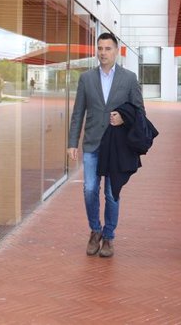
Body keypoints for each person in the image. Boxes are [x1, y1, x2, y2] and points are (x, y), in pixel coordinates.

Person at [68, 32, 144, 258]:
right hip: (92, 143)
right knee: (90, 188)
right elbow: (78, 112)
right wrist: (73, 142)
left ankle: (109, 236)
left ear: (117, 51)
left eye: (107, 48)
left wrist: (123, 118)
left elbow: (140, 111)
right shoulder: (86, 78)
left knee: (112, 193)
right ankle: (95, 230)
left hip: (116, 146)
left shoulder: (129, 78)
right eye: (100, 48)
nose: (103, 52)